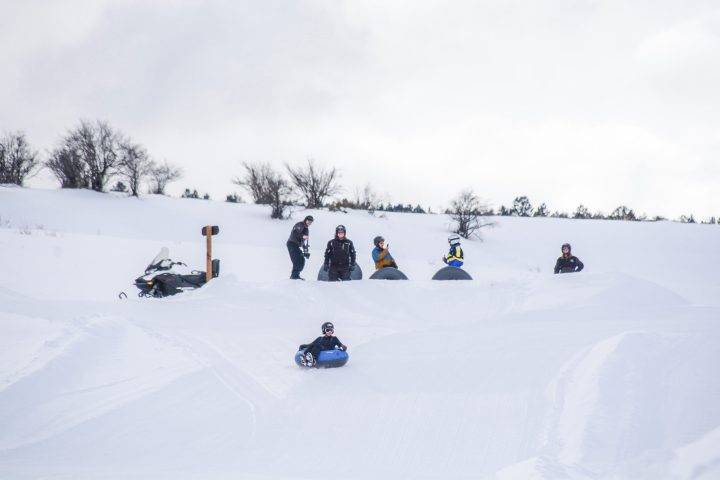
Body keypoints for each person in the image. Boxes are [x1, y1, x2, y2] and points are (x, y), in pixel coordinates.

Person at [287, 215, 314, 280]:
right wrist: (303, 236)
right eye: (308, 221)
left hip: (296, 246)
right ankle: (294, 276)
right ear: (305, 220)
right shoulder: (300, 224)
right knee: (297, 260)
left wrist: (305, 249)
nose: (309, 223)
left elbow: (302, 241)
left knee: (301, 260)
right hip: (292, 244)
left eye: (310, 222)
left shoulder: (306, 229)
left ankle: (296, 275)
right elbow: (295, 232)